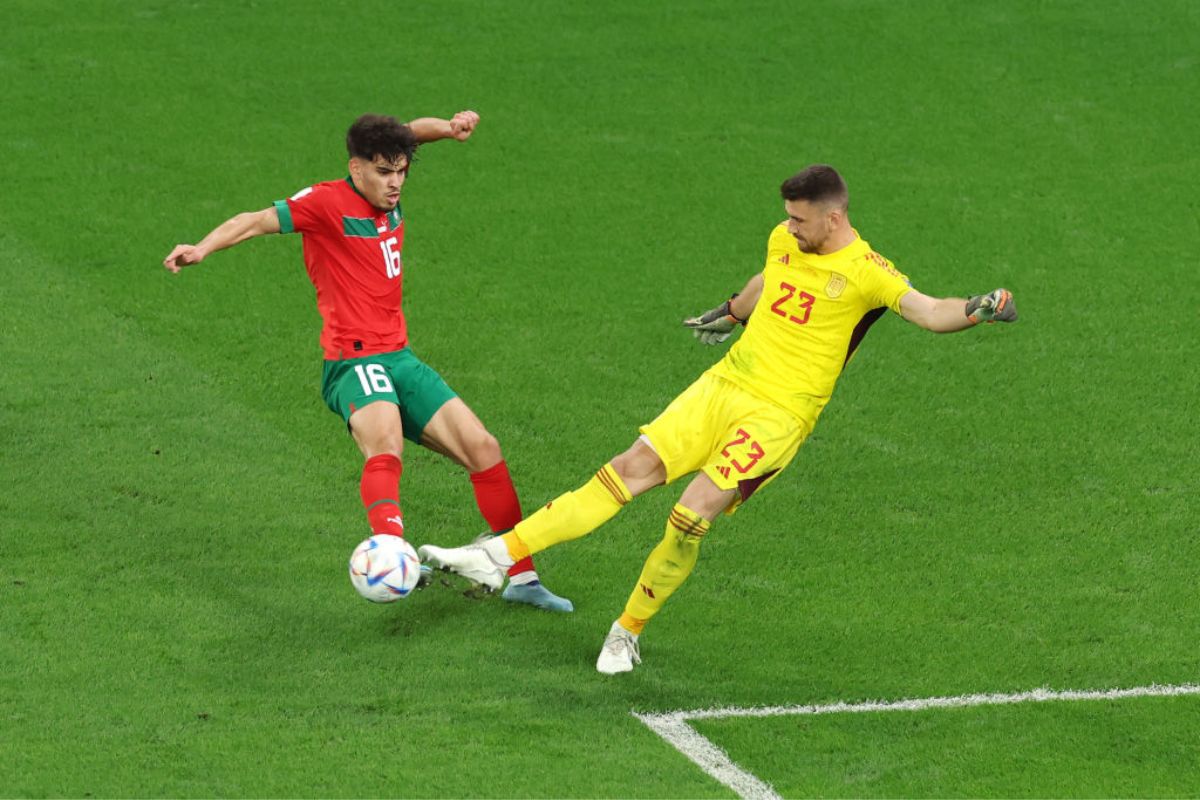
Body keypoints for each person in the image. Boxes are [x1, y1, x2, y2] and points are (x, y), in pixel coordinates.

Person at [419, 164, 1017, 671]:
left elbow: (930, 311)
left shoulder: (867, 272)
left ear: (832, 218)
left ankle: (627, 630)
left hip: (780, 416)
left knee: (690, 513)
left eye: (800, 218)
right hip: (724, 385)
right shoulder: (786, 241)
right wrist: (731, 312)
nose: (789, 226)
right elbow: (768, 279)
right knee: (629, 468)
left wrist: (979, 310)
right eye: (787, 216)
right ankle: (496, 558)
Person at [163, 111, 572, 612]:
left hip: (399, 356)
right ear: (355, 167)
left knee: (484, 449)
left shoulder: (386, 178)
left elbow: (408, 134)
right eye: (384, 172)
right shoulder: (325, 203)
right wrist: (202, 248)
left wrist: (445, 128)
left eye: (402, 171)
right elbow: (255, 221)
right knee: (386, 444)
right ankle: (393, 556)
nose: (395, 183)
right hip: (353, 361)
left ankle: (522, 578)